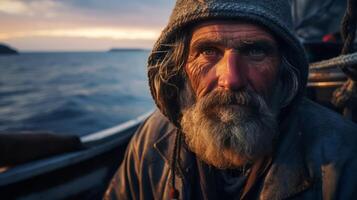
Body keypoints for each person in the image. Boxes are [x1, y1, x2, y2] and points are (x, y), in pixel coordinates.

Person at [105, 0, 357, 199]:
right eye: (208, 51)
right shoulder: (151, 140)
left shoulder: (345, 158)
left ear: (284, 68)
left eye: (255, 51)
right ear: (180, 67)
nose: (231, 78)